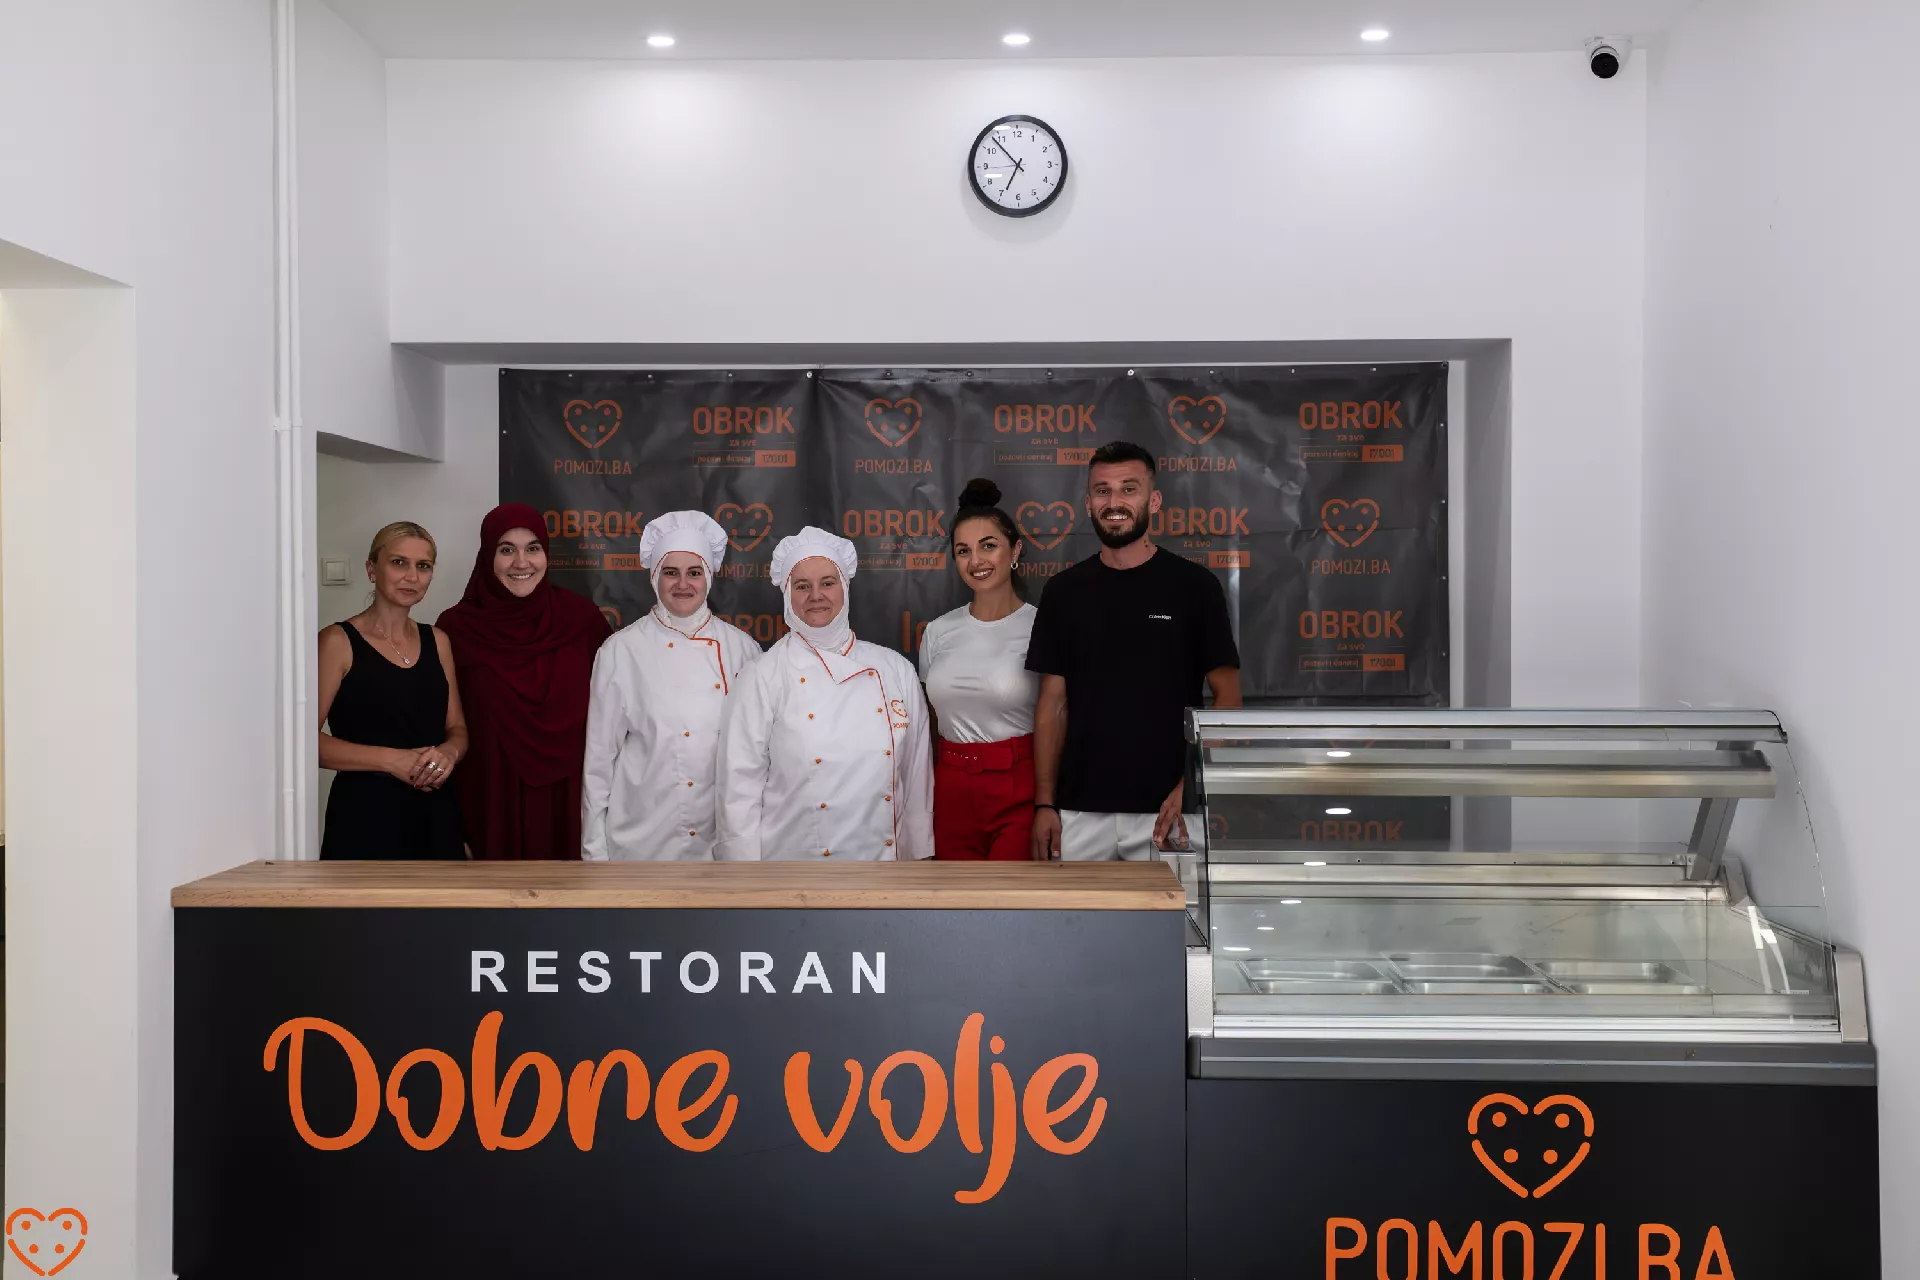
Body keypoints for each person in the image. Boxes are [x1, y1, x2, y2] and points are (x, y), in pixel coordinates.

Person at [1025, 441, 1242, 861]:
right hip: (1080, 812)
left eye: (1129, 489)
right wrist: (1045, 803)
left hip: (1170, 812)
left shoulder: (1195, 587)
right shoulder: (1063, 592)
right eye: (1102, 491)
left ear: (1153, 500)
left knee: (1179, 910)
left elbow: (1228, 698)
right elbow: (1053, 704)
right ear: (1088, 503)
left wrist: (1191, 785)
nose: (1114, 502)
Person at [716, 526, 933, 861]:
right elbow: (738, 787)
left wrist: (919, 855)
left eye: (827, 583)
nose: (815, 596)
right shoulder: (762, 676)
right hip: (795, 871)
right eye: (802, 586)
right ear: (787, 594)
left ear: (845, 587)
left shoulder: (894, 669)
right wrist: (744, 877)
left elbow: (916, 774)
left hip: (885, 871)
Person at [435, 503, 612, 860]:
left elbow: (617, 714)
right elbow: (441, 727)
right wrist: (451, 826)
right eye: (506, 550)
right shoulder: (457, 629)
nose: (521, 562)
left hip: (572, 802)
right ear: (487, 556)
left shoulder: (581, 619)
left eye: (533, 548)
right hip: (489, 802)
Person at [581, 511, 761, 861]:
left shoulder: (743, 650)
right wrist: (594, 856)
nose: (683, 584)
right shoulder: (620, 651)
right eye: (670, 573)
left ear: (709, 576)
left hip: (719, 846)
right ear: (654, 577)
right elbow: (599, 764)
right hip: (642, 844)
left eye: (694, 573)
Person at [317, 521, 467, 860]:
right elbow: (302, 743)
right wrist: (392, 760)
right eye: (399, 562)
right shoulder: (337, 642)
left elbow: (458, 729)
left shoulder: (438, 641)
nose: (411, 576)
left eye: (423, 566)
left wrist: (448, 753)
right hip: (364, 818)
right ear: (372, 569)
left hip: (436, 813)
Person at [917, 479, 1040, 860]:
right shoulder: (938, 631)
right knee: (955, 896)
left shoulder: (1042, 627)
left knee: (1007, 894)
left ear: (1015, 550)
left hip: (1019, 787)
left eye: (988, 546)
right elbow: (929, 723)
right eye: (963, 551)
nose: (976, 561)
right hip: (950, 788)